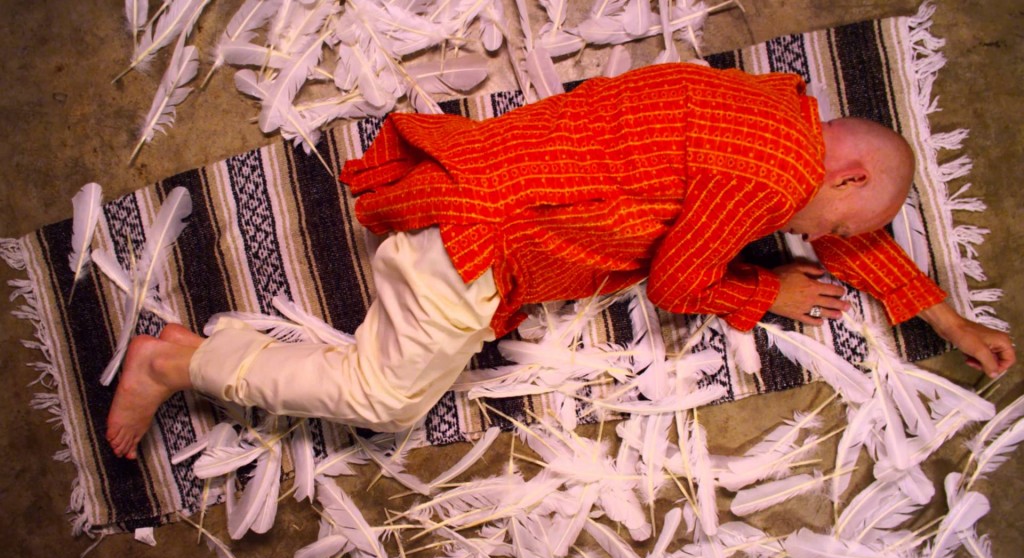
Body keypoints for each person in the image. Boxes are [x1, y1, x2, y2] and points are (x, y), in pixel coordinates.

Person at [106, 63, 1015, 460]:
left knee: (393, 355)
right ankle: (177, 362)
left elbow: (844, 227)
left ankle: (190, 355)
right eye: (840, 219)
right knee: (382, 400)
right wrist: (763, 291)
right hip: (479, 245)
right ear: (844, 173)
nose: (823, 237)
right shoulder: (772, 176)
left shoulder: (770, 106)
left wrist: (943, 316)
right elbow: (679, 283)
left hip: (467, 176)